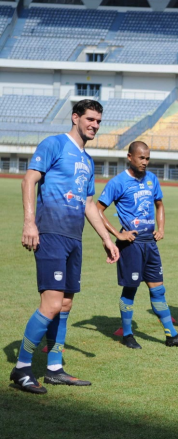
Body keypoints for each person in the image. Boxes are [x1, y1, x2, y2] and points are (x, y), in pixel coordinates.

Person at [11, 99, 119, 394]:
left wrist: (107, 239)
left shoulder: (88, 160)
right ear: (75, 118)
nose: (95, 125)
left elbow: (88, 204)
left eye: (98, 121)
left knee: (67, 304)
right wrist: (29, 223)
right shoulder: (54, 144)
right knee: (52, 303)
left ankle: (55, 369)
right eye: (90, 119)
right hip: (51, 233)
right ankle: (21, 368)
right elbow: (28, 180)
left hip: (74, 238)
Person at [97, 142, 178, 350]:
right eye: (141, 158)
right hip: (131, 245)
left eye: (147, 158)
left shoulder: (152, 179)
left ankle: (171, 335)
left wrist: (161, 227)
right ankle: (127, 334)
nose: (145, 162)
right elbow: (97, 210)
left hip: (150, 244)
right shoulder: (118, 182)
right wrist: (117, 233)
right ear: (130, 157)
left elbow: (159, 204)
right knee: (130, 289)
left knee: (158, 290)